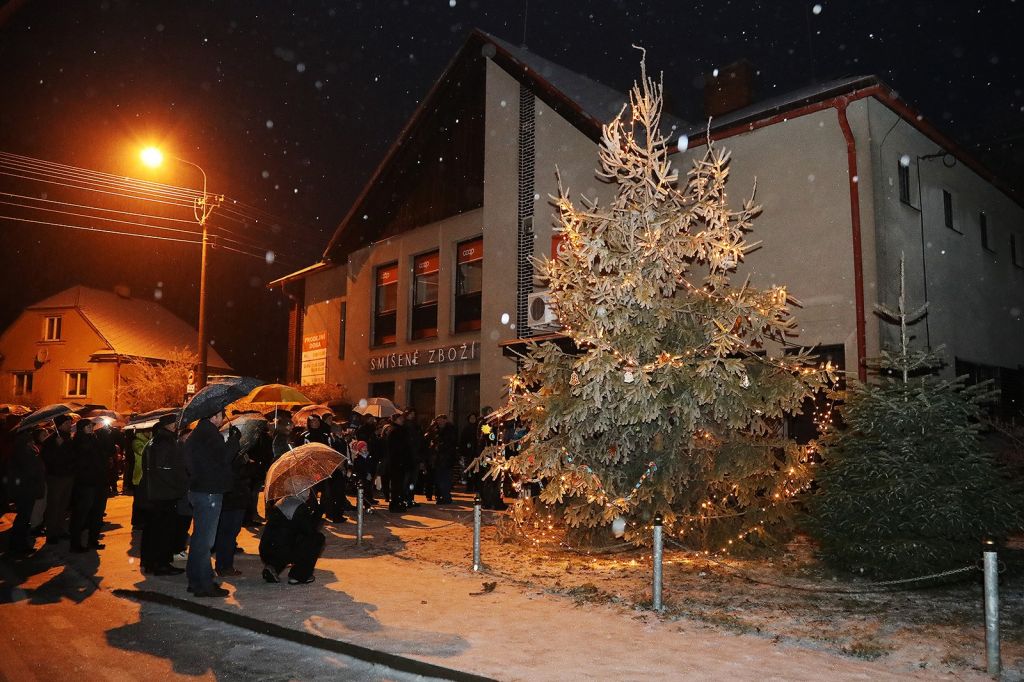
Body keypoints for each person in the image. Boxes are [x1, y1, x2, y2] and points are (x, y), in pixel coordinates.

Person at [184, 407, 240, 598]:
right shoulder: (209, 434)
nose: (223, 419)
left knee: (199, 538)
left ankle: (195, 580)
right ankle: (204, 584)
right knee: (205, 541)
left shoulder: (198, 433)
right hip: (209, 491)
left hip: (199, 489)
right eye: (222, 415)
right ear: (214, 416)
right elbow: (223, 458)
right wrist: (234, 440)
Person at [139, 414, 186, 575]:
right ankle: (161, 563)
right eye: (175, 422)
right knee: (163, 530)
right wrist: (179, 486)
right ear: (170, 425)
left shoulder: (157, 440)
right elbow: (165, 469)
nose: (178, 425)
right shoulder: (165, 441)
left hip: (158, 493)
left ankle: (151, 562)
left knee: (153, 529)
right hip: (164, 494)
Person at [259, 486, 325, 585]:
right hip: (281, 549)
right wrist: (318, 513)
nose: (309, 494)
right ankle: (299, 575)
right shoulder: (298, 507)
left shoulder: (282, 501)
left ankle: (273, 567)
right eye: (307, 490)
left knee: (287, 539)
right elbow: (310, 531)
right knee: (317, 539)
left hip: (267, 548)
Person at [214, 439, 256, 577]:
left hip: (231, 498)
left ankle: (223, 564)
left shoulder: (225, 454)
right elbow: (241, 475)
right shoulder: (233, 457)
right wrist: (248, 464)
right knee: (229, 534)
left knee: (226, 533)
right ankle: (225, 566)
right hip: (234, 498)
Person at [69, 419, 110, 552]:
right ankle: (75, 544)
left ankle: (93, 540)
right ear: (82, 428)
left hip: (99, 481)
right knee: (81, 514)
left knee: (97, 512)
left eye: (91, 426)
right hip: (86, 483)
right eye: (88, 426)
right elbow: (80, 461)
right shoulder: (78, 441)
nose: (91, 428)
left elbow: (102, 456)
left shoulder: (95, 439)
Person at [5, 426, 47, 553]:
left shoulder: (24, 449)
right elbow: (30, 470)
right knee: (23, 518)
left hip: (27, 488)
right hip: (26, 489)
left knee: (24, 518)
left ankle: (20, 544)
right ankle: (18, 545)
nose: (33, 439)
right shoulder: (23, 451)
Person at [41, 414, 76, 544]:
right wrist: (58, 447)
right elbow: (48, 459)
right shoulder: (51, 441)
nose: (70, 425)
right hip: (56, 477)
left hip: (68, 476)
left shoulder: (68, 438)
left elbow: (72, 455)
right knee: (54, 506)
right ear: (60, 425)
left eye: (70, 423)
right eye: (67, 423)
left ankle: (60, 529)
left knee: (63, 505)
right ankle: (51, 533)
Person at [381, 412, 408, 512]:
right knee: (397, 484)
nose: (402, 420)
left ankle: (397, 503)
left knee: (398, 484)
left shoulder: (398, 430)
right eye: (400, 419)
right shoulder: (395, 431)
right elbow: (396, 448)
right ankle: (395, 504)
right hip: (396, 462)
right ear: (395, 420)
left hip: (397, 461)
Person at [428, 414, 457, 505]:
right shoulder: (435, 429)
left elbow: (451, 443)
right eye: (438, 420)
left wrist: (440, 446)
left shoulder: (450, 430)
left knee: (446, 479)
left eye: (441, 420)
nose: (439, 422)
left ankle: (446, 497)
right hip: (437, 458)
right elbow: (429, 438)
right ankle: (441, 496)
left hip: (446, 458)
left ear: (445, 420)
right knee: (439, 479)